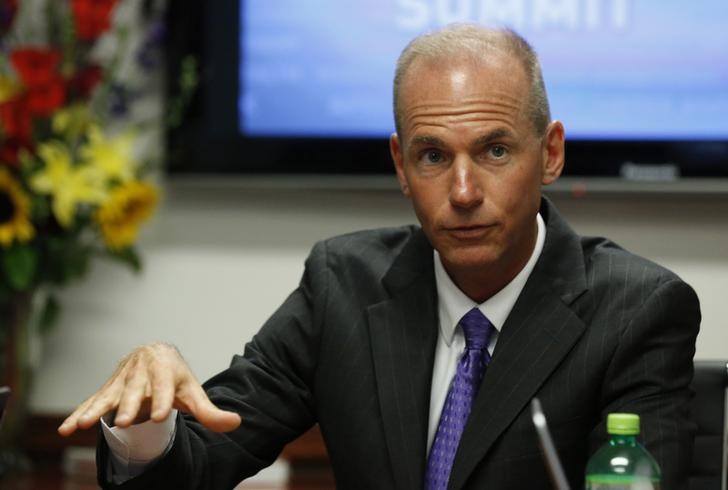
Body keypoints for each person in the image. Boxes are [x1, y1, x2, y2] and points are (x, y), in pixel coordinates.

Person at [58, 24, 700, 489]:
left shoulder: (636, 308)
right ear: (400, 164)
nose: (465, 192)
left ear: (551, 153)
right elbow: (194, 466)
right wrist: (148, 417)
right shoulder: (343, 285)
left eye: (495, 151)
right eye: (432, 156)